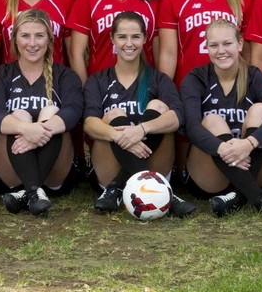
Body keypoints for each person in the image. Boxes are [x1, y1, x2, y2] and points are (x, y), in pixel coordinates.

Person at [181, 19, 262, 216]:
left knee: (261, 109)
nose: (221, 51)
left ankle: (239, 195)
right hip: (210, 176)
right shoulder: (196, 78)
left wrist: (249, 144)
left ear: (240, 44)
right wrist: (223, 148)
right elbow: (191, 126)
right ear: (206, 48)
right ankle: (259, 199)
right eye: (214, 45)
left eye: (227, 43)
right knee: (212, 120)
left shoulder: (254, 77)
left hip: (252, 165)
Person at [82, 12, 191, 215]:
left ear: (144, 39)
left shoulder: (158, 79)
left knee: (158, 107)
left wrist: (141, 130)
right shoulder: (98, 81)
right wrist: (121, 136)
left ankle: (118, 188)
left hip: (155, 161)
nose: (129, 43)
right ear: (112, 39)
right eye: (122, 36)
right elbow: (88, 124)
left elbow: (177, 117)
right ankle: (165, 193)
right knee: (113, 114)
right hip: (109, 166)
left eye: (135, 37)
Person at [0, 9, 84, 215]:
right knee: (19, 114)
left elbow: (73, 112)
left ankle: (29, 191)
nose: (32, 43)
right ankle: (34, 191)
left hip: (57, 172)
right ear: (14, 39)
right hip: (8, 171)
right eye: (25, 36)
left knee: (51, 111)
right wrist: (26, 129)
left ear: (49, 39)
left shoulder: (65, 75)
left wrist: (40, 130)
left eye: (39, 36)